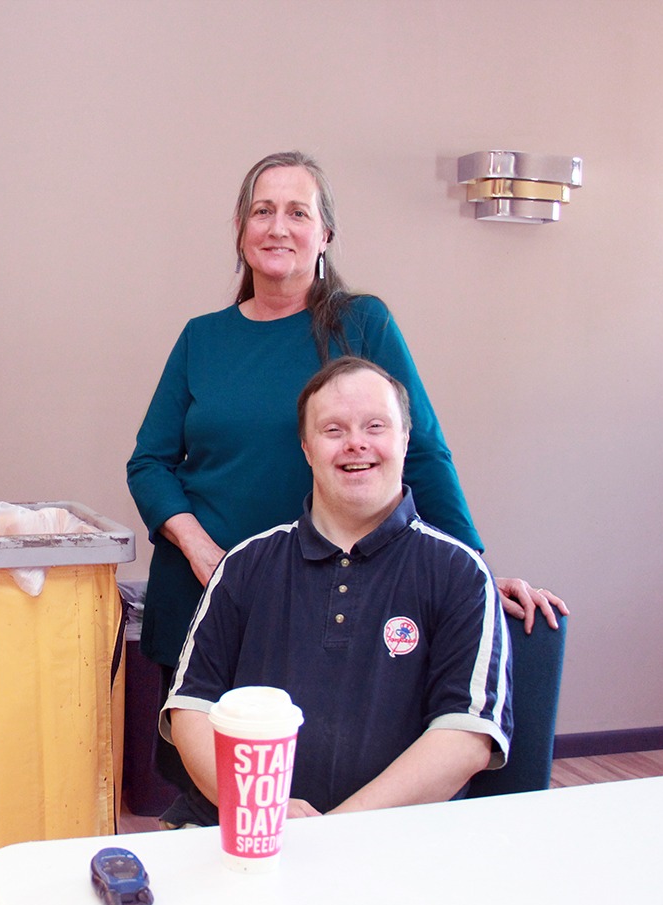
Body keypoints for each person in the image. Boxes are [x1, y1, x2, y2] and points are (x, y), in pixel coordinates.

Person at [126, 150, 563, 789]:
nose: (278, 227)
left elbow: (421, 450)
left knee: (323, 774)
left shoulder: (362, 323)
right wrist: (203, 553)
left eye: (297, 213)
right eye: (262, 211)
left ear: (325, 233)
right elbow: (150, 463)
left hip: (322, 598)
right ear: (241, 232)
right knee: (212, 791)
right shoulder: (202, 338)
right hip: (206, 593)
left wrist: (470, 570)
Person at [161, 356, 512, 823]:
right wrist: (260, 808)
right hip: (243, 828)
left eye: (375, 426)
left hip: (397, 843)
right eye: (333, 430)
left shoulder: (460, 573)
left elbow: (466, 738)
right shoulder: (244, 566)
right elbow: (191, 710)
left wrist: (338, 829)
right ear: (307, 449)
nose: (356, 443)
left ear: (405, 439)